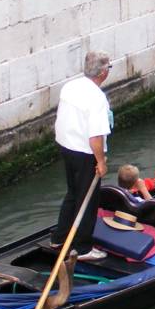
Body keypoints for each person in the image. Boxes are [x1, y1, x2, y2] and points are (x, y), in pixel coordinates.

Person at [52, 51, 112, 262]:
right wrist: (101, 162)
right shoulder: (97, 98)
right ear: (103, 72)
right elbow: (95, 136)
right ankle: (83, 248)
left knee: (73, 192)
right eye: (109, 67)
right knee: (88, 199)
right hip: (85, 153)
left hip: (66, 146)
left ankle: (59, 237)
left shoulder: (71, 86)